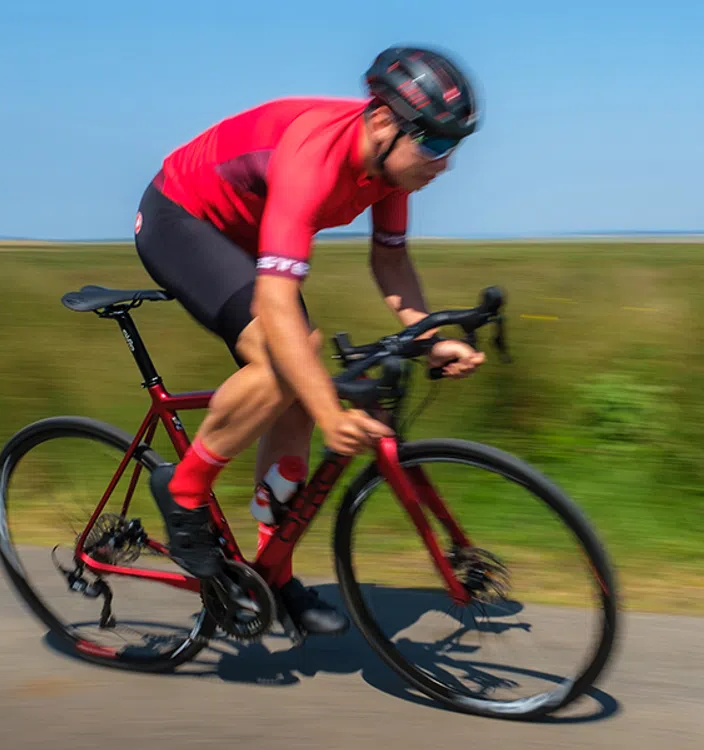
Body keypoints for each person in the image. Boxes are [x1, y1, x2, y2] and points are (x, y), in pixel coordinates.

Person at [134, 45, 486, 635]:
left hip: (250, 237)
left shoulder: (388, 168)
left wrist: (430, 340)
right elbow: (274, 306)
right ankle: (184, 489)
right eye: (432, 143)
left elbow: (391, 263)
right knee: (286, 363)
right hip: (182, 219)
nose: (442, 163)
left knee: (299, 378)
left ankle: (273, 574)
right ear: (382, 121)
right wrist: (330, 413)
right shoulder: (313, 159)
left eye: (452, 147)